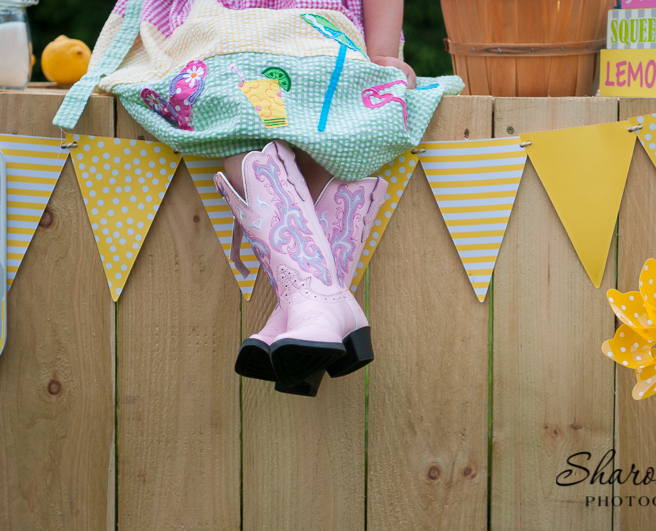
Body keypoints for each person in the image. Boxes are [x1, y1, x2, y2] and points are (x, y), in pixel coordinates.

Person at [53, 0, 463, 396]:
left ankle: (305, 309)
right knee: (240, 118)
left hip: (317, 19)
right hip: (216, 21)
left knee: (328, 130)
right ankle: (318, 306)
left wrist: (384, 50)